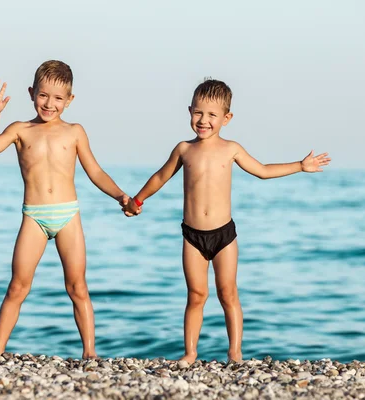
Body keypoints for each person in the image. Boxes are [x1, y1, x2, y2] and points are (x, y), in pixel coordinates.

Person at [123, 79, 331, 363]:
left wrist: (299, 165)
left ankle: (235, 353)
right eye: (198, 113)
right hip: (192, 235)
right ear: (189, 111)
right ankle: (190, 353)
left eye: (211, 115)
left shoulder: (231, 148)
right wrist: (137, 200)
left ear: (226, 118)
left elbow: (262, 170)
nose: (203, 120)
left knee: (227, 293)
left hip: (224, 235)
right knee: (196, 295)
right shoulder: (184, 149)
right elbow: (161, 176)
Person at [0, 60, 131, 358]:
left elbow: (96, 172)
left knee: (77, 287)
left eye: (58, 98)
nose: (50, 103)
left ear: (70, 100)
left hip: (68, 216)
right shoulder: (20, 130)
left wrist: (120, 196)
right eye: (43, 95)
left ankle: (89, 353)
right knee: (18, 287)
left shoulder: (74, 132)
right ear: (32, 92)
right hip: (34, 217)